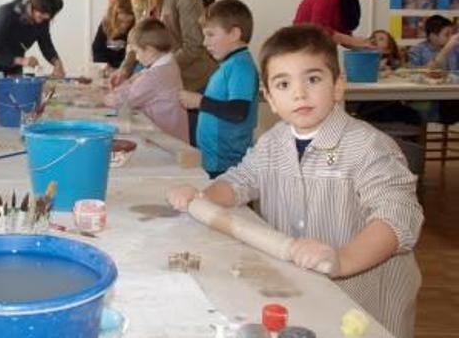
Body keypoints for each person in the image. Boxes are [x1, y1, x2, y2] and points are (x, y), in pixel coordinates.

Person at [167, 25, 423, 338]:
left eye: (313, 79)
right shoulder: (272, 143)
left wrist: (341, 260)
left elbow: (397, 217)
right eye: (284, 84)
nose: (299, 93)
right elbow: (239, 181)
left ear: (338, 85)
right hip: (303, 293)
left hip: (368, 306)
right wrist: (200, 198)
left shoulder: (369, 147)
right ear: (270, 98)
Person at [178, 0, 258, 178]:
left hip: (227, 164)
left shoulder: (240, 66)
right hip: (214, 159)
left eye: (210, 35)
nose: (205, 43)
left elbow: (238, 111)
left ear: (234, 34)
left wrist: (199, 101)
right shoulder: (229, 65)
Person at [104, 19, 188, 141]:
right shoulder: (167, 64)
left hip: (166, 141)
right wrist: (123, 85)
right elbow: (135, 82)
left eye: (137, 52)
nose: (136, 58)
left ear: (150, 50)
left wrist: (105, 97)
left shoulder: (156, 75)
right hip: (170, 134)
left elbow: (123, 101)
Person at [91, 0, 135, 71]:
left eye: (128, 22)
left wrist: (124, 70)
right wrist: (105, 66)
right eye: (120, 21)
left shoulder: (135, 29)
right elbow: (97, 50)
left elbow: (134, 54)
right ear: (113, 18)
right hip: (108, 69)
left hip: (127, 70)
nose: (124, 26)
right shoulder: (105, 26)